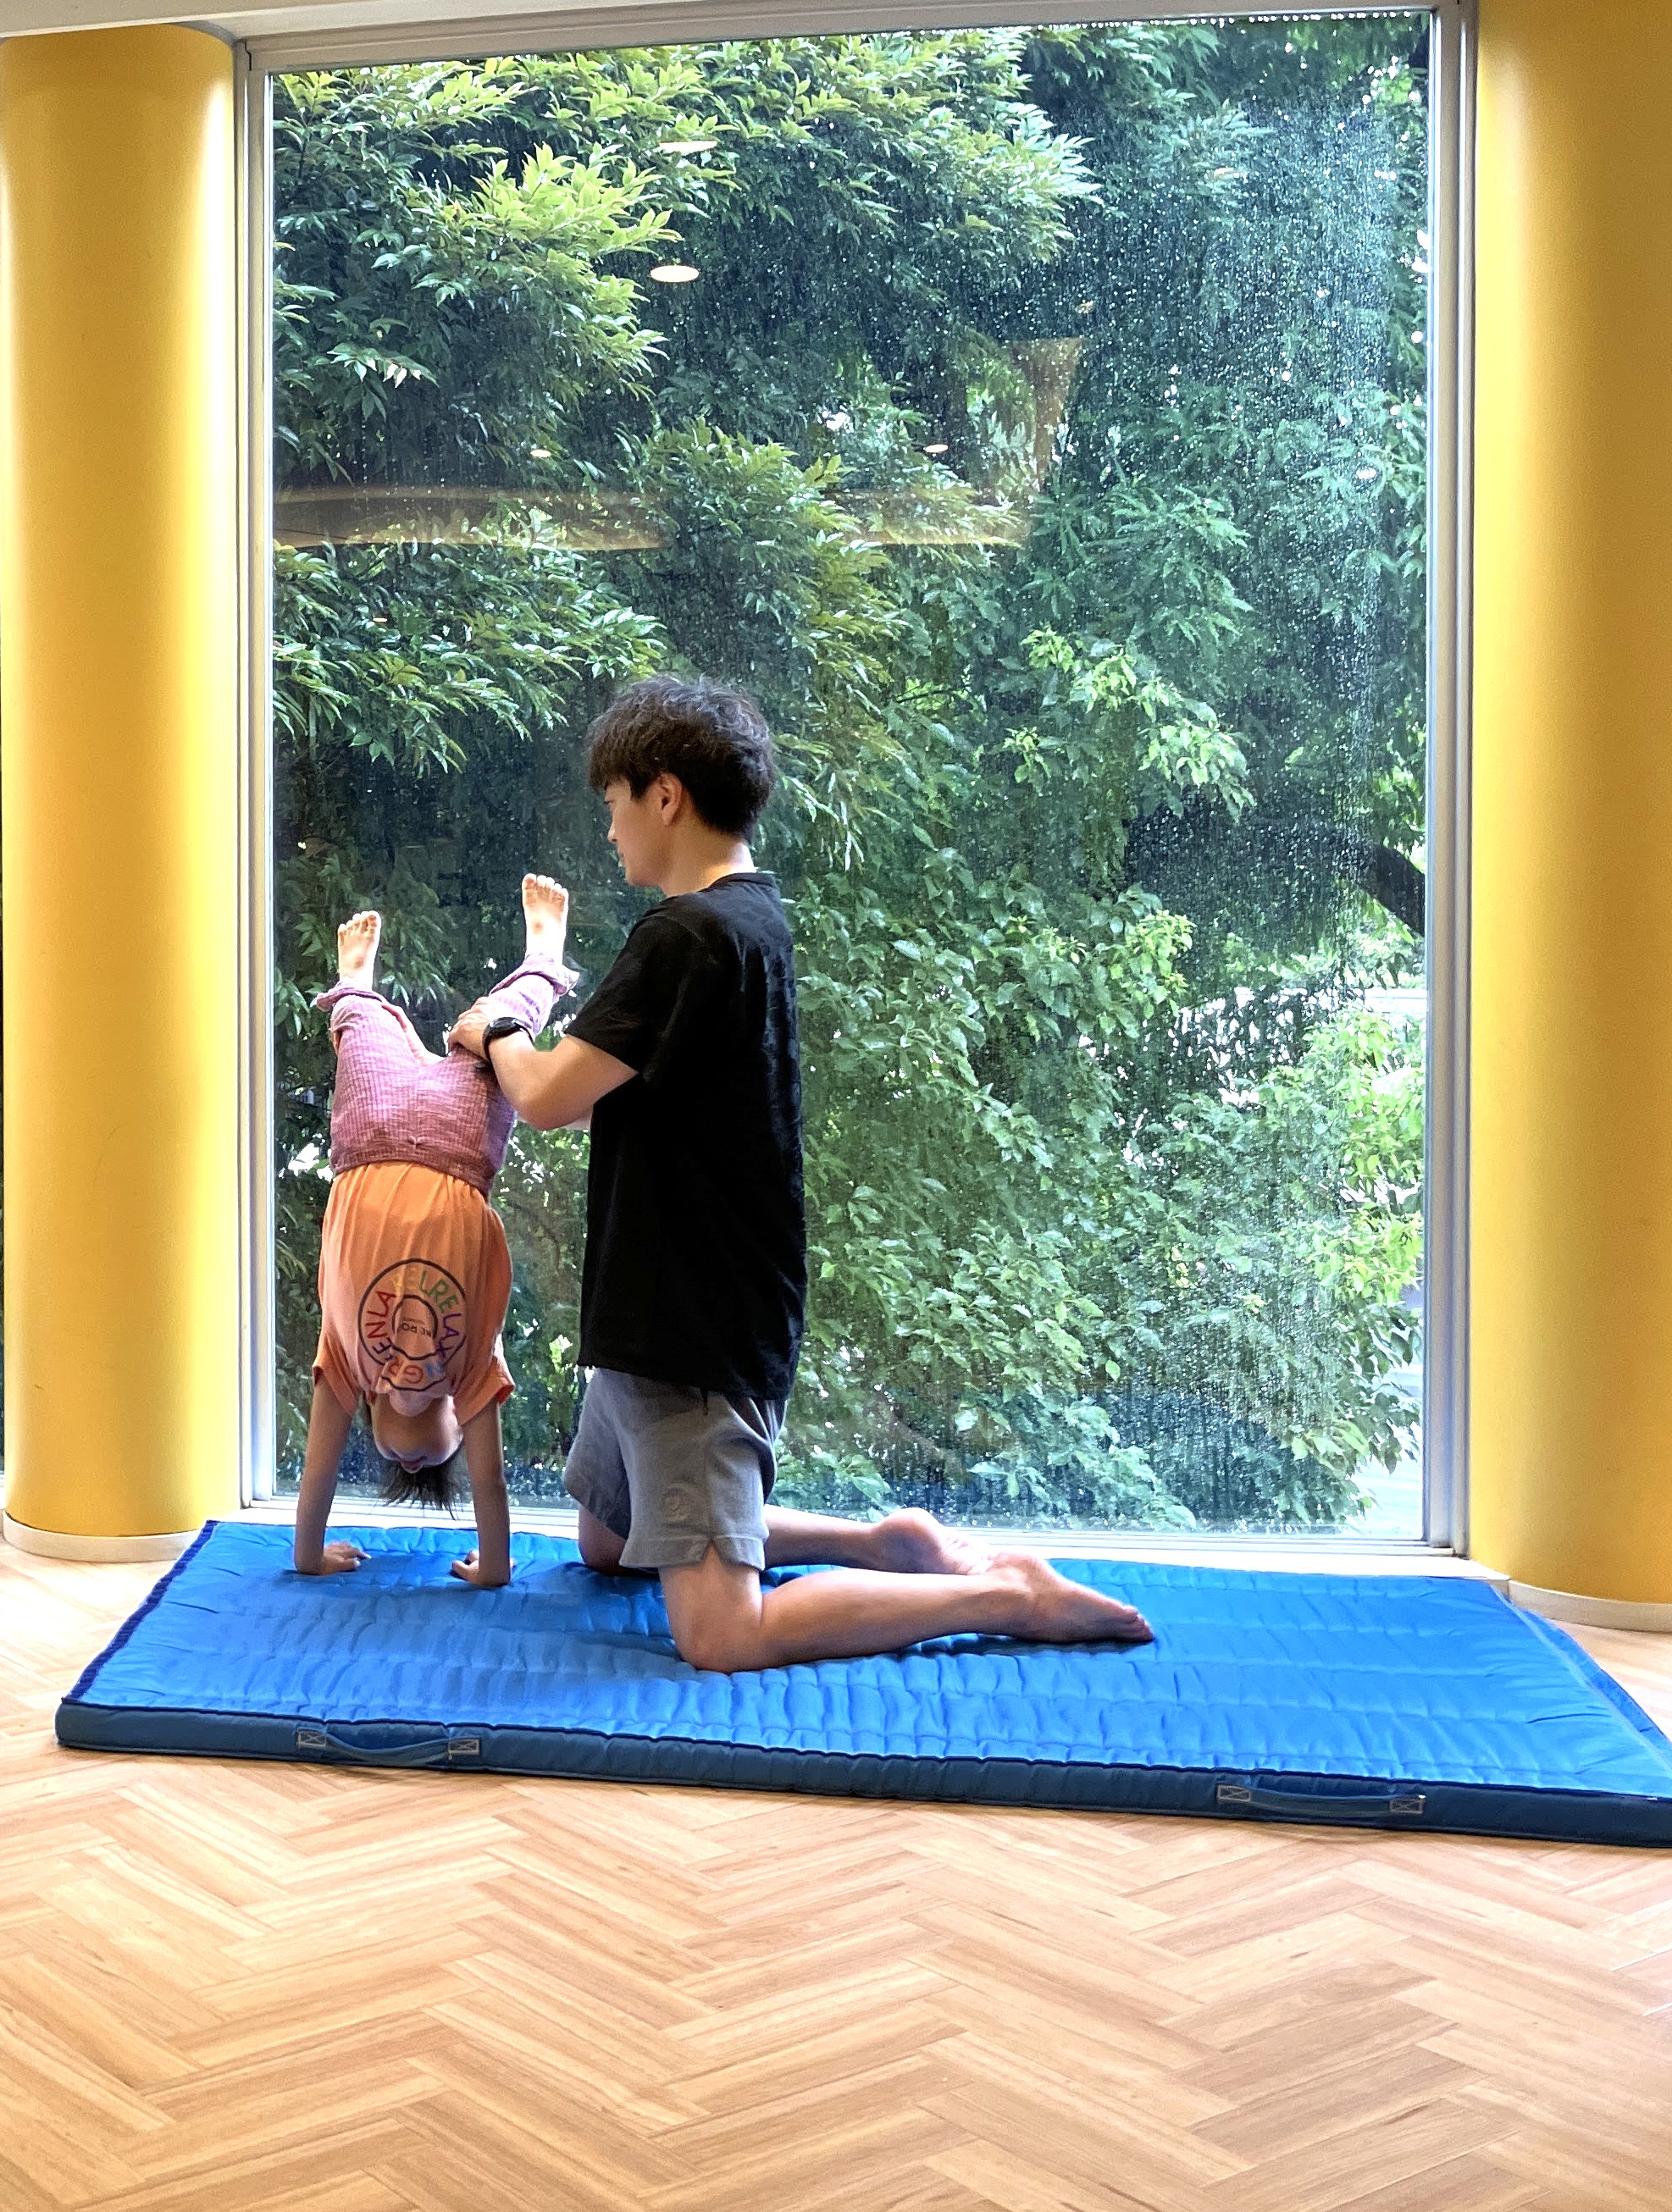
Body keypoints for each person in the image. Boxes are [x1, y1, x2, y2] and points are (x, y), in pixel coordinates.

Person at [451, 676, 1153, 1672]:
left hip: (691, 1333)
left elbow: (549, 1094)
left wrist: (496, 1031)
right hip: (657, 1314)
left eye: (614, 803)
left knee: (721, 1633)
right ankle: (880, 1544)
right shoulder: (751, 916)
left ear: (665, 795)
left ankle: (1004, 1594)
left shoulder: (682, 936)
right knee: (611, 1540)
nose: (609, 831)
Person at [291, 877, 578, 1590]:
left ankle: (353, 984)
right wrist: (494, 1566)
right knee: (499, 1032)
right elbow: (492, 1483)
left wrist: (308, 1554)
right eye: (432, 1462)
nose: (412, 1457)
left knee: (360, 1033)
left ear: (368, 1413)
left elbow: (317, 1470)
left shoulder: (348, 1364)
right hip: (458, 1149)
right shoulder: (470, 1369)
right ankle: (542, 960)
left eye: (397, 1462)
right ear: (460, 1422)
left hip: (368, 1140)